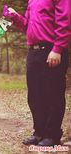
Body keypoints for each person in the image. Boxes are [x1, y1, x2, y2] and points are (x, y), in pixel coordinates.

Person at [6, 0, 71, 146]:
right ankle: (39, 132)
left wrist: (57, 49)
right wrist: (15, 16)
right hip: (33, 53)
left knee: (53, 95)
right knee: (35, 96)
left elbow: (65, 22)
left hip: (52, 50)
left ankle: (52, 135)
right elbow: (27, 26)